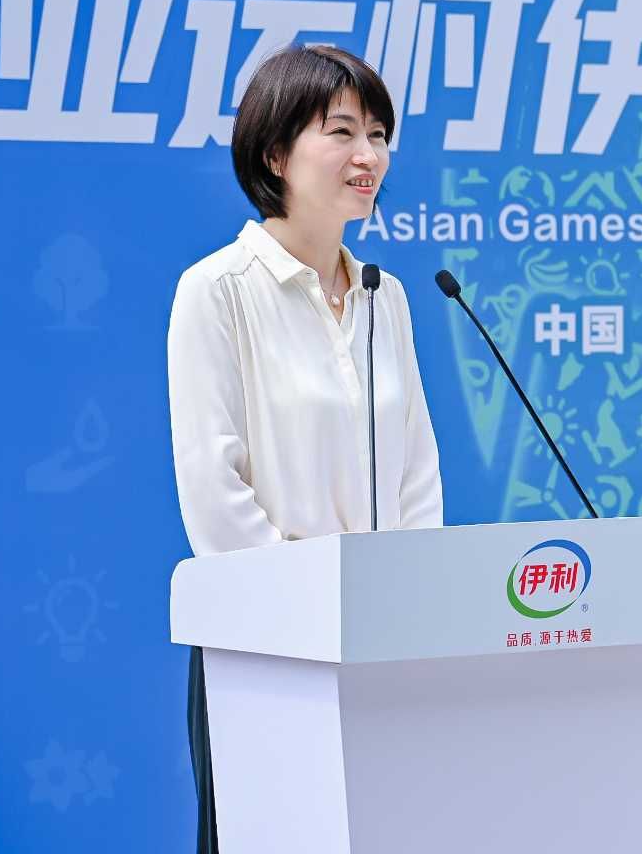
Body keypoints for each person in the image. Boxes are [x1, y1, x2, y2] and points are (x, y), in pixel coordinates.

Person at [166, 42, 444, 853]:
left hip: (385, 646)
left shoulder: (385, 298)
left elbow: (417, 476)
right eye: (343, 132)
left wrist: (409, 609)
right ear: (275, 153)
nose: (369, 156)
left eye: (379, 136)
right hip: (267, 651)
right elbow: (215, 493)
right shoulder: (217, 291)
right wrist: (311, 612)